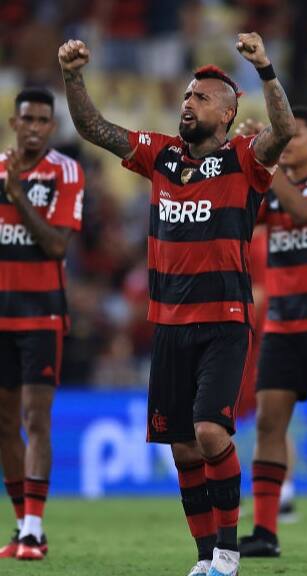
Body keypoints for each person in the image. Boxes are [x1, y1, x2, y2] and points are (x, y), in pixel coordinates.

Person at [58, 33, 296, 576]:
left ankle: (231, 555)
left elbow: (283, 130)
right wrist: (73, 76)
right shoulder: (161, 156)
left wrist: (265, 68)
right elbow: (95, 129)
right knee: (185, 451)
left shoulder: (244, 159)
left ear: (228, 113)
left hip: (224, 323)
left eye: (202, 98)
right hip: (168, 326)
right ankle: (206, 558)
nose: (188, 102)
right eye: (187, 95)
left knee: (212, 433)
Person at [238, 107, 307, 558]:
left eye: (295, 136)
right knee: (268, 422)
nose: (289, 142)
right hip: (281, 321)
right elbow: (241, 221)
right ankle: (265, 530)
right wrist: (245, 163)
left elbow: (306, 214)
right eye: (284, 136)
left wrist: (268, 167)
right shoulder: (272, 187)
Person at [0, 87, 84, 561]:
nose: (33, 127)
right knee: (5, 423)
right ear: (14, 123)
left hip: (41, 313)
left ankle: (35, 527)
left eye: (42, 121)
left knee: (36, 418)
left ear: (51, 127)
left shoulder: (65, 172)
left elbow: (56, 246)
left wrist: (16, 195)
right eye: (26, 119)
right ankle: (21, 527)